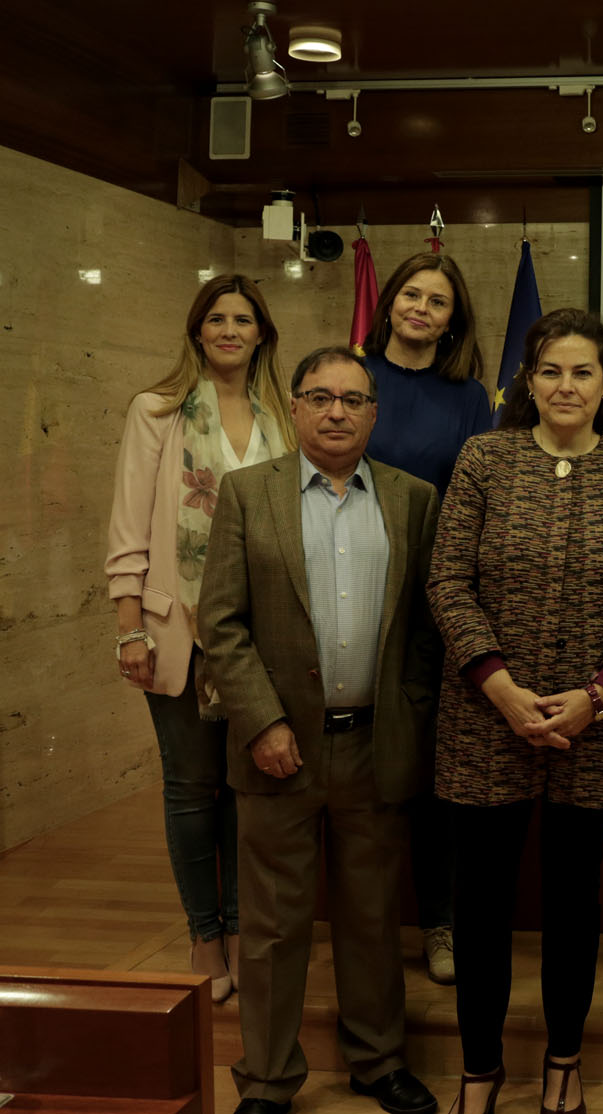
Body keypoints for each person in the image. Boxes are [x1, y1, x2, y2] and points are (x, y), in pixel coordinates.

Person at [428, 309, 603, 1114]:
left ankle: (564, 1057)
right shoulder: (483, 459)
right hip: (482, 717)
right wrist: (499, 687)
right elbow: (448, 584)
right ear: (526, 383)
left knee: (575, 901)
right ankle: (479, 1066)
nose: (565, 386)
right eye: (550, 372)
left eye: (582, 373)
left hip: (593, 727)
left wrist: (599, 694)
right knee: (482, 904)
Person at [197, 346, 441, 1114]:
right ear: (296, 408)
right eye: (320, 397)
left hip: (377, 744)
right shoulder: (245, 494)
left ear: (375, 414)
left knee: (372, 920)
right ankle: (267, 1081)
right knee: (271, 928)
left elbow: (429, 629)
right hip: (278, 749)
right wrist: (261, 721)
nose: (337, 411)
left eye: (354, 400)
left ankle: (377, 1063)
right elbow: (222, 623)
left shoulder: (414, 499)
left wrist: (411, 712)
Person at [106, 274, 294, 1005]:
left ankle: (246, 932)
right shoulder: (156, 410)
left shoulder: (283, 411)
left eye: (242, 319)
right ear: (197, 330)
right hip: (172, 628)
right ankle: (203, 933)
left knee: (245, 791)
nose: (229, 329)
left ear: (261, 335)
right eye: (216, 318)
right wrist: (129, 629)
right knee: (190, 789)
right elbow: (128, 524)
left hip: (260, 635)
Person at [360, 250, 493, 985]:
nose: (422, 309)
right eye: (412, 294)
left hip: (436, 600)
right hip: (351, 590)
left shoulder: (471, 397)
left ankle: (439, 923)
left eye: (438, 301)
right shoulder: (354, 381)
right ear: (389, 305)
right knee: (368, 770)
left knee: (438, 774)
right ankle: (369, 924)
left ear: (453, 320)